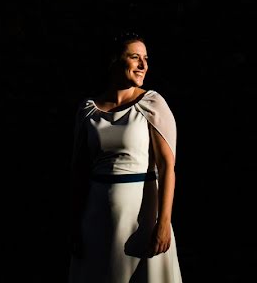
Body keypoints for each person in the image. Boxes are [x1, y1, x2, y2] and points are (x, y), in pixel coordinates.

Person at [69, 32, 183, 282]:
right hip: (97, 217)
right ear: (114, 61)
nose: (143, 65)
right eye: (135, 57)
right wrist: (75, 223)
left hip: (141, 219)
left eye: (146, 58)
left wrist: (163, 223)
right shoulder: (88, 109)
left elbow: (167, 167)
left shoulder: (151, 104)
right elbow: (78, 172)